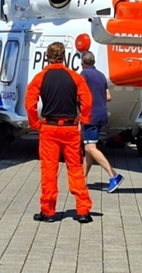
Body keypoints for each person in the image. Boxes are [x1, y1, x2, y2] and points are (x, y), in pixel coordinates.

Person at [25, 42, 93, 224]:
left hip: (49, 128)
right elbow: (87, 100)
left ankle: (48, 212)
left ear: (47, 57)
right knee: (75, 169)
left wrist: (35, 123)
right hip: (71, 128)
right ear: (64, 57)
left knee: (49, 170)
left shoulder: (40, 77)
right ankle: (83, 211)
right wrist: (84, 120)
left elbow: (29, 103)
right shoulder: (75, 77)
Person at [79, 51, 124, 193]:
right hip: (101, 114)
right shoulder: (101, 75)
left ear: (82, 63)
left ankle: (113, 175)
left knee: (89, 148)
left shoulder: (84, 75)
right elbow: (108, 96)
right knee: (89, 148)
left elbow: (79, 95)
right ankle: (81, 180)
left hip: (90, 116)